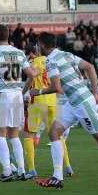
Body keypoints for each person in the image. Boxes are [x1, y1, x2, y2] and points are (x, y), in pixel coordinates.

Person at [31, 32, 98, 189]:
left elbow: (56, 87)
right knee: (53, 132)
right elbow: (89, 67)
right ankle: (57, 178)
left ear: (43, 45)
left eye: (38, 45)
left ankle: (57, 177)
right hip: (74, 102)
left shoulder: (51, 61)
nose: (37, 47)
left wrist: (37, 92)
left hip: (82, 103)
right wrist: (95, 91)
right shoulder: (65, 54)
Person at [0, 24, 37, 182]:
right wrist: (23, 91)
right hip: (17, 95)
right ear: (8, 36)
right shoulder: (19, 52)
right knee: (14, 135)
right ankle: (22, 170)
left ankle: (6, 172)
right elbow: (32, 75)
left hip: (4, 96)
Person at [22, 46, 72, 179]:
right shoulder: (52, 60)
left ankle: (32, 170)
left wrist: (23, 92)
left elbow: (32, 76)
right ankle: (67, 167)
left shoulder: (35, 62)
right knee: (58, 135)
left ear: (35, 52)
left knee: (28, 134)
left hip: (38, 101)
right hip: (53, 101)